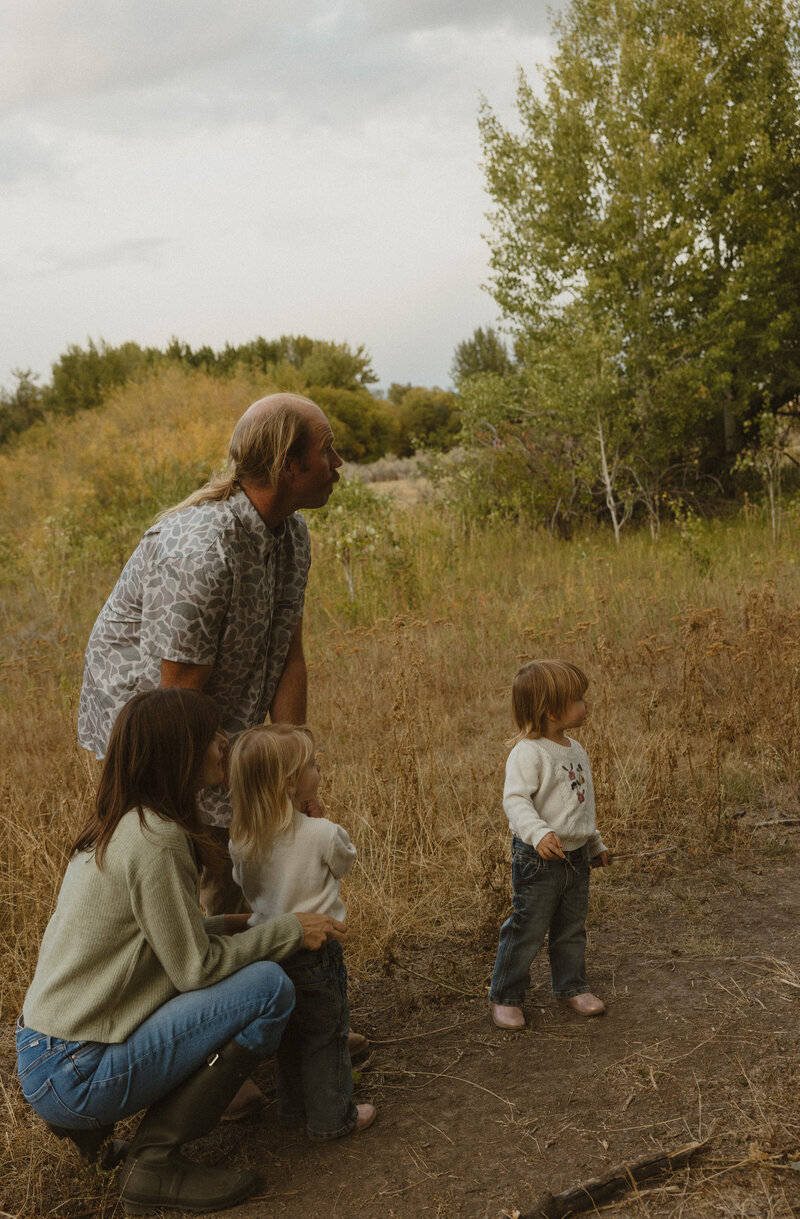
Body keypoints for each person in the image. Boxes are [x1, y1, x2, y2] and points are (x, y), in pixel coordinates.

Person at [16, 688, 346, 1216]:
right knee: (268, 989)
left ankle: (102, 1146)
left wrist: (229, 923)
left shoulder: (124, 824)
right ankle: (154, 1163)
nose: (223, 742)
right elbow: (194, 968)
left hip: (45, 1056)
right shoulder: (157, 839)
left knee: (251, 968)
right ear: (178, 751)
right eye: (209, 734)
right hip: (77, 1070)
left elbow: (156, 940)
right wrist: (286, 931)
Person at [78, 391, 343, 916]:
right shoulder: (203, 549)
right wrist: (209, 814)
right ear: (287, 465)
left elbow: (290, 656)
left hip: (214, 710)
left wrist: (292, 774)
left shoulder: (291, 533)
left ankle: (241, 967)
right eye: (327, 450)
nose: (338, 465)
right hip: (157, 726)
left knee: (247, 858)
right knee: (189, 861)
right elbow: (175, 702)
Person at [228, 724, 376, 1139]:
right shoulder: (321, 834)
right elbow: (344, 862)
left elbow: (246, 887)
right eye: (312, 763)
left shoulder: (243, 842)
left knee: (290, 1036)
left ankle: (293, 1110)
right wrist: (322, 821)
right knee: (327, 1036)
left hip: (270, 952)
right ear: (291, 782)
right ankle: (333, 1118)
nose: (319, 767)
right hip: (318, 952)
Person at [488, 660, 612, 1031]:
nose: (585, 704)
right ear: (552, 710)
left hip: (576, 858)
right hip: (539, 859)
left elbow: (580, 806)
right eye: (578, 699)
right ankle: (505, 995)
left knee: (571, 927)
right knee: (528, 926)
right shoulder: (529, 753)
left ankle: (571, 986)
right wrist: (539, 833)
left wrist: (595, 844)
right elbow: (515, 801)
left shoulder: (576, 749)